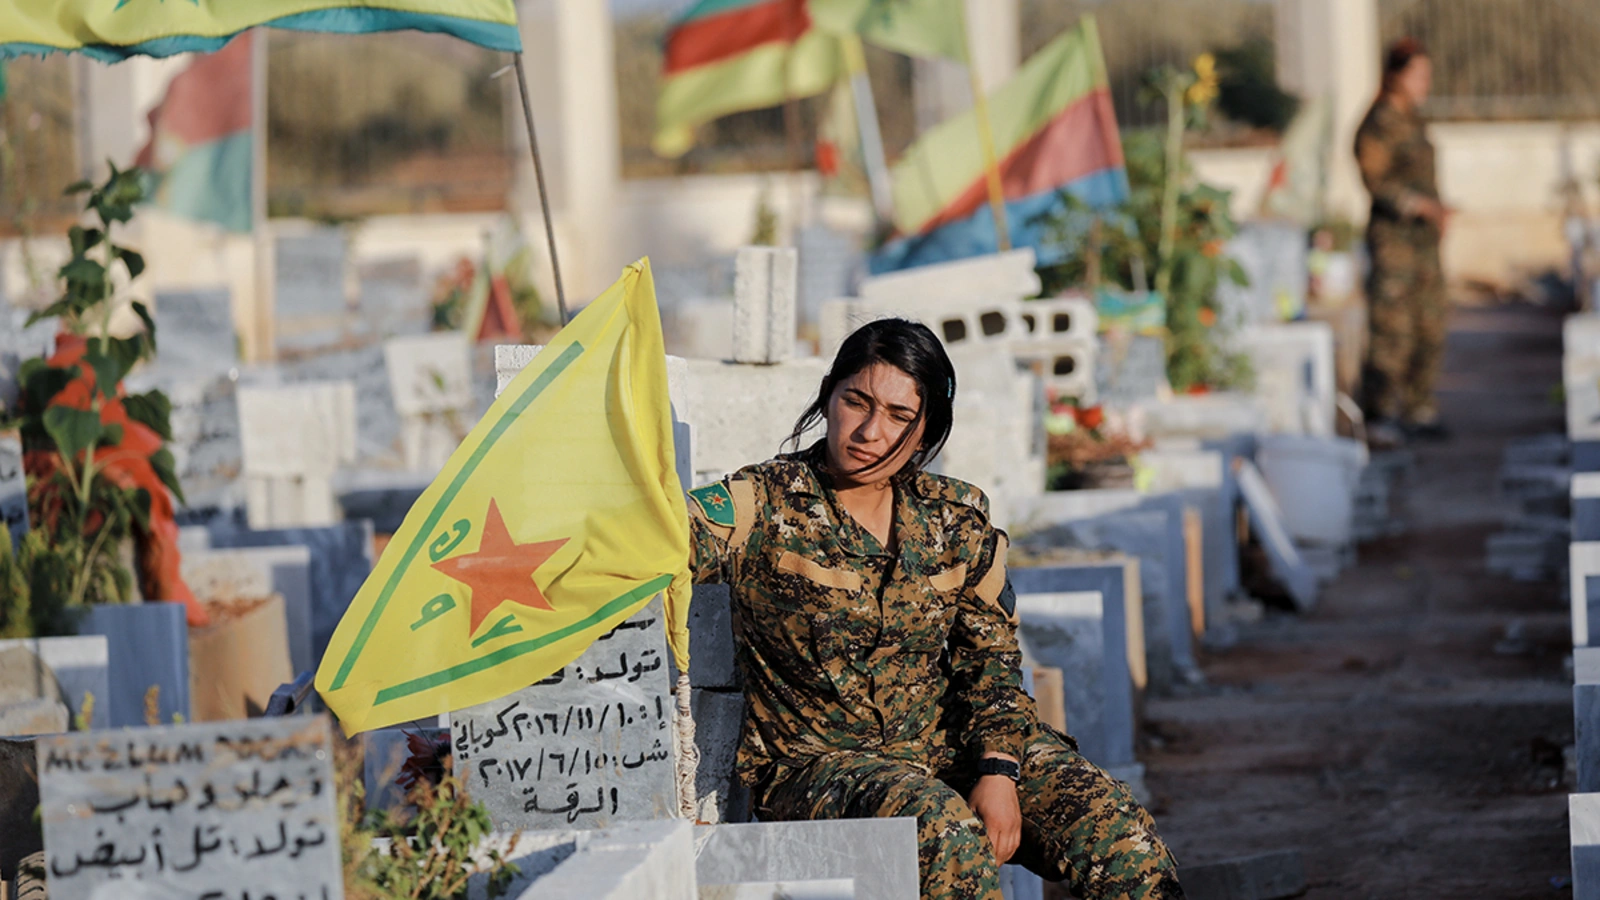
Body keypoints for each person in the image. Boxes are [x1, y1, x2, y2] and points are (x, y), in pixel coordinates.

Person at [686, 318, 1183, 899]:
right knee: (941, 830)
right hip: (819, 772)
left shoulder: (956, 519)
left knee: (1113, 826)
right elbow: (656, 538)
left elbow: (992, 665)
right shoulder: (762, 503)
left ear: (925, 432)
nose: (871, 431)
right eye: (857, 402)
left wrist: (998, 770)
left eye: (900, 416)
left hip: (946, 750)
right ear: (829, 397)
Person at [1355, 37, 1452, 446]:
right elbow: (1375, 181)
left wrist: (1438, 211)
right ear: (1395, 76)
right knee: (1391, 331)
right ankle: (1378, 415)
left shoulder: (1414, 120)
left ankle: (1418, 408)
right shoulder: (1377, 124)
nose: (1425, 82)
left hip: (1423, 244)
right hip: (1394, 242)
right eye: (1418, 74)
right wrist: (1417, 206)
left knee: (1429, 325)